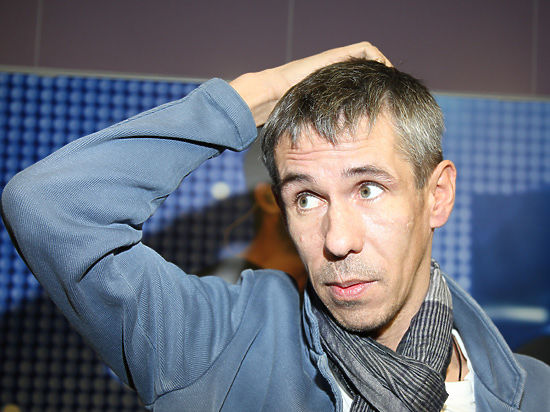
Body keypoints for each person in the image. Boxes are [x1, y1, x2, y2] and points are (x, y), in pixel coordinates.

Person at [1, 42, 548, 411]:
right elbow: (47, 203)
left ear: (437, 196)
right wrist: (264, 91)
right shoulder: (221, 348)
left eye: (368, 189)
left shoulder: (535, 394)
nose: (337, 240)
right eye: (306, 198)